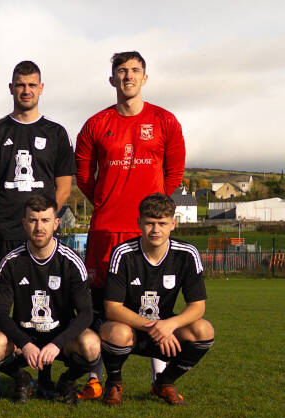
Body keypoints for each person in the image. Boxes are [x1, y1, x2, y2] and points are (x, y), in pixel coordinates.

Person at [75, 51, 185, 399]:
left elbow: (175, 172)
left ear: (145, 78)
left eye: (135, 71)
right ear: (112, 79)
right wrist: (107, 201)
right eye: (121, 71)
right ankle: (97, 379)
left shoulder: (165, 121)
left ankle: (160, 381)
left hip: (145, 230)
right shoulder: (95, 124)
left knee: (156, 301)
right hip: (106, 230)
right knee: (99, 302)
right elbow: (82, 173)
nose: (128, 77)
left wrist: (152, 209)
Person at [0, 60, 75, 398]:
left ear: (41, 88)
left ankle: (44, 378)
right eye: (20, 84)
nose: (26, 90)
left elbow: (63, 187)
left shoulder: (56, 133)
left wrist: (43, 221)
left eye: (32, 84)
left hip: (42, 237)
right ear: (11, 88)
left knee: (46, 304)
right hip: (4, 234)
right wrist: (7, 216)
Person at [0, 193, 100, 405]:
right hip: (24, 335)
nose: (39, 227)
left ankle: (66, 381)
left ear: (56, 223)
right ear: (24, 223)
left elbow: (85, 314)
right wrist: (25, 344)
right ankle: (23, 379)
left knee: (92, 344)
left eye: (45, 220)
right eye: (33, 220)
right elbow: (0, 313)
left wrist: (57, 344)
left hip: (61, 338)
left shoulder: (71, 262)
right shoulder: (11, 261)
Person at [100, 193, 214, 406]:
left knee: (204, 330)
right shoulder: (122, 253)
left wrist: (170, 325)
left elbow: (198, 307)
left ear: (173, 223)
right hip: (131, 329)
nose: (156, 230)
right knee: (115, 332)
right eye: (150, 223)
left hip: (166, 331)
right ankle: (114, 383)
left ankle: (164, 382)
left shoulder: (187, 253)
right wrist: (154, 327)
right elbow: (112, 309)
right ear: (139, 223)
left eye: (162, 223)